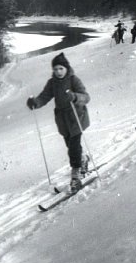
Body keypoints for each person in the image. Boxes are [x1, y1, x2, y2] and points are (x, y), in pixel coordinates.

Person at [26, 52, 90, 192]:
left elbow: (86, 97)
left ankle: (75, 176)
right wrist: (35, 103)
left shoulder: (73, 80)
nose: (58, 72)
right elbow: (45, 96)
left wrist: (74, 97)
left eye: (61, 68)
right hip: (63, 120)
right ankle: (83, 160)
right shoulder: (52, 83)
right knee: (71, 145)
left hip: (76, 117)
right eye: (55, 69)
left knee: (73, 147)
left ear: (66, 68)